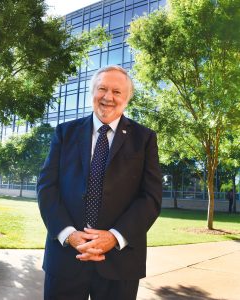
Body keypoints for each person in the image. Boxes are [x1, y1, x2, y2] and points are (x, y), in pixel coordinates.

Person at [37, 65, 162, 300]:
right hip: (65, 258)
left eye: (116, 92)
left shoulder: (144, 138)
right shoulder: (65, 133)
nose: (108, 97)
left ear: (127, 98)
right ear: (92, 91)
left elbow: (151, 198)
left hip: (119, 263)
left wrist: (114, 236)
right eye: (102, 89)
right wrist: (69, 234)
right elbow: (47, 188)